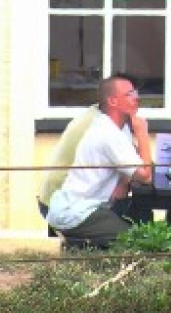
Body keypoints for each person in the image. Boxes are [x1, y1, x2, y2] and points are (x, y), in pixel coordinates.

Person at [45, 76, 154, 247]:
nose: (136, 98)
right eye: (129, 94)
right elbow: (145, 175)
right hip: (77, 212)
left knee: (140, 216)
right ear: (113, 101)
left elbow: (131, 170)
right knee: (137, 241)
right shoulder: (108, 133)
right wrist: (142, 133)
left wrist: (124, 181)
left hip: (84, 206)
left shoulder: (117, 127)